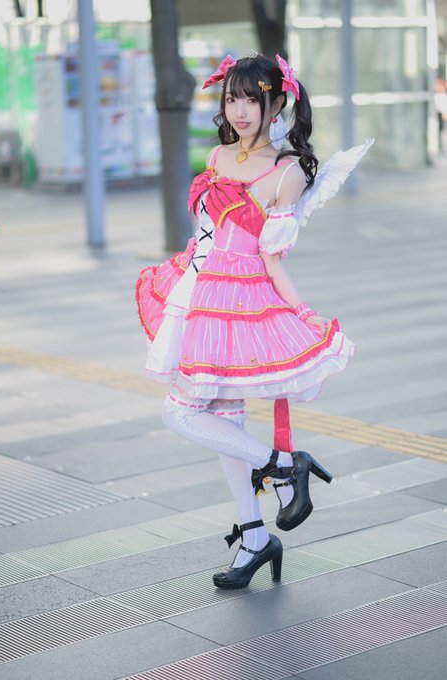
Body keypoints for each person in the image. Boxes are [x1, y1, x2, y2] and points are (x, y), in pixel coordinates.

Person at [136, 52, 373, 590]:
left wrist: (301, 313)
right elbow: (203, 236)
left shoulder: (288, 171)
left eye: (251, 99)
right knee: (225, 422)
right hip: (199, 293)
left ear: (277, 102)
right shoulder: (217, 156)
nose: (239, 110)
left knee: (180, 412)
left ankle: (283, 466)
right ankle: (256, 536)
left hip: (241, 301)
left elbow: (272, 259)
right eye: (231, 99)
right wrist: (184, 286)